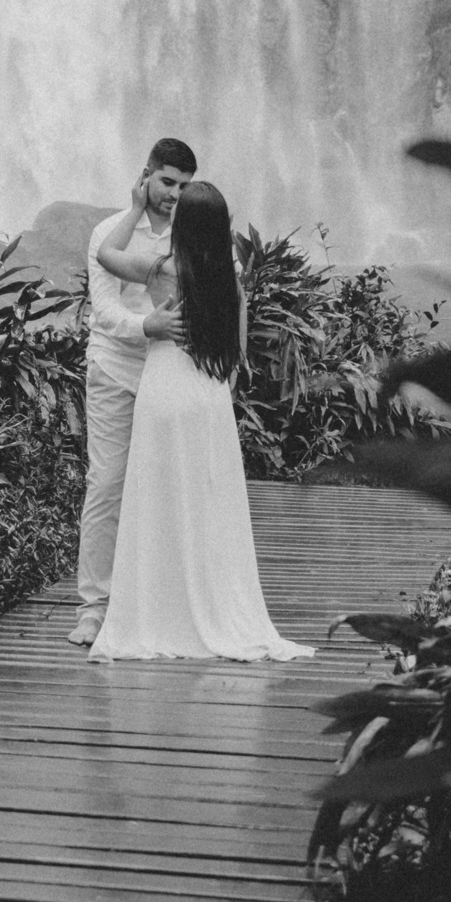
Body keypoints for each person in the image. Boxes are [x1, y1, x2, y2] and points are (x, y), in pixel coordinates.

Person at [87, 175, 313, 663]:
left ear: (182, 224)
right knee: (208, 499)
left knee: (158, 498)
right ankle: (210, 601)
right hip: (208, 394)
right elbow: (237, 343)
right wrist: (222, 380)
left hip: (164, 388)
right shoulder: (229, 280)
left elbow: (106, 254)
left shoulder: (161, 270)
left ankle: (161, 608)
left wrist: (135, 207)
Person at [67, 137, 198, 645]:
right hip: (116, 369)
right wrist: (148, 326)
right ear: (146, 176)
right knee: (107, 484)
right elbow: (103, 310)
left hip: (170, 375)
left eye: (184, 186)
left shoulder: (192, 235)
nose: (174, 194)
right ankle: (94, 609)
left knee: (167, 488)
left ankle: (155, 604)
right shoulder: (109, 232)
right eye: (167, 182)